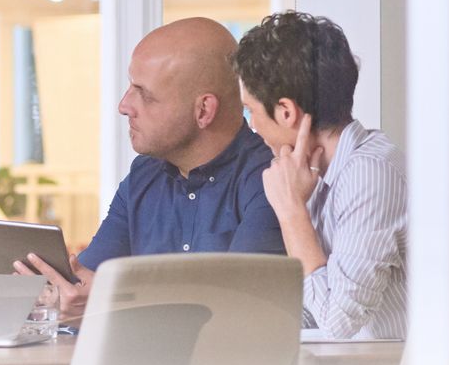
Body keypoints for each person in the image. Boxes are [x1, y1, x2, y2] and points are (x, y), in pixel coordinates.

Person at [17, 17, 286, 320]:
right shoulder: (143, 176)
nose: (124, 105)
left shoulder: (271, 177)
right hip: (138, 363)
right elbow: (89, 279)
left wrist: (112, 297)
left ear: (203, 110)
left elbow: (240, 300)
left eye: (144, 94)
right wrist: (59, 291)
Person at [233, 11, 407, 339]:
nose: (252, 125)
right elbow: (312, 311)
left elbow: (337, 323)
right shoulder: (315, 174)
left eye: (251, 110)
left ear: (286, 112)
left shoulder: (368, 174)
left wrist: (292, 214)